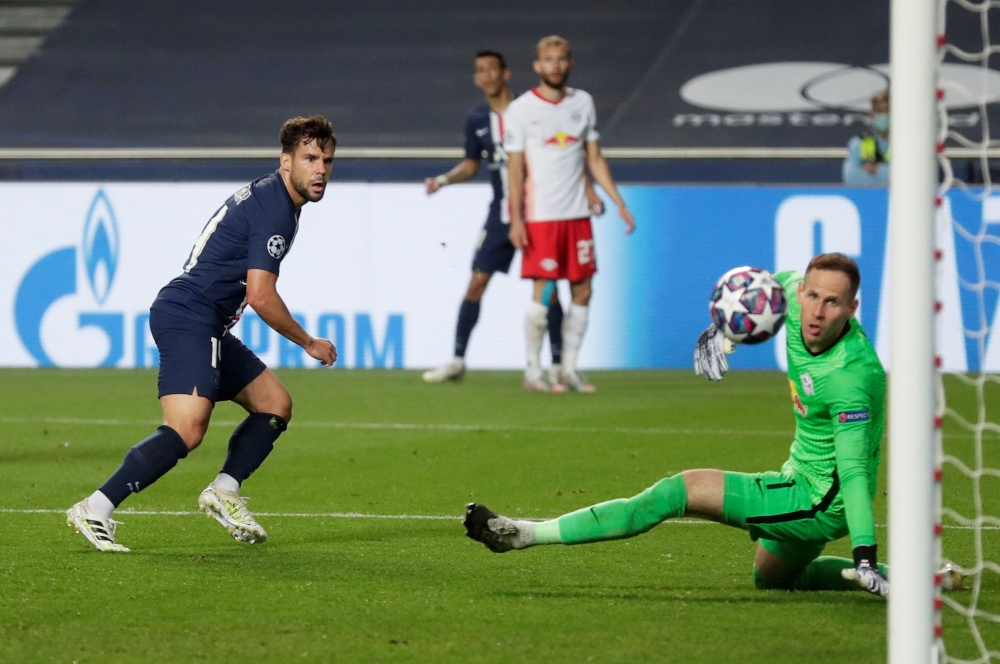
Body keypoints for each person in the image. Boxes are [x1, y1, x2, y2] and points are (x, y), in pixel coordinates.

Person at [465, 253, 965, 595]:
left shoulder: (853, 376)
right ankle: (922, 581)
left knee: (675, 491)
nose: (816, 311)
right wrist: (723, 332)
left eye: (832, 302)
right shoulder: (790, 298)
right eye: (812, 295)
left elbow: (854, 474)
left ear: (852, 308)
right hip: (799, 474)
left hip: (819, 499)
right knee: (772, 579)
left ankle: (524, 534)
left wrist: (863, 553)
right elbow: (752, 298)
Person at [65, 116, 338, 552]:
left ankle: (224, 490)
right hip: (188, 316)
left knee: (275, 404)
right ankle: (95, 508)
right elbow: (261, 296)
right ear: (286, 161)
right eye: (309, 159)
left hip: (204, 320)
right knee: (186, 429)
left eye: (326, 160)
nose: (320, 169)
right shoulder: (276, 210)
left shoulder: (275, 198)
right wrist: (308, 342)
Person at [422, 50, 604, 387]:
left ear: (506, 73)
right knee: (477, 281)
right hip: (501, 214)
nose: (487, 76)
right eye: (481, 71)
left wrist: (589, 190)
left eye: (492, 69)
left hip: (539, 212)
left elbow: (568, 155)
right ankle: (457, 360)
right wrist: (443, 180)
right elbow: (472, 164)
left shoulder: (530, 109)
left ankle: (556, 365)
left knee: (548, 288)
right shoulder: (477, 119)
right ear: (476, 79)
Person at [504, 35, 635, 393]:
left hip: (577, 215)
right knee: (544, 292)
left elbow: (593, 157)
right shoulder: (521, 109)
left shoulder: (583, 103)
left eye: (561, 59)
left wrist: (618, 202)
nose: (555, 65)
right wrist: (516, 219)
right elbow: (515, 168)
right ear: (537, 65)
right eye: (549, 59)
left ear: (570, 64)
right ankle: (533, 370)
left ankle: (568, 368)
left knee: (583, 290)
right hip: (542, 216)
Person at [843, 89, 890, 185]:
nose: (884, 116)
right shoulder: (859, 142)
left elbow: (911, 176)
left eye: (887, 112)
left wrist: (879, 170)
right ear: (872, 114)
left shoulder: (906, 144)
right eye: (879, 112)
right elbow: (851, 178)